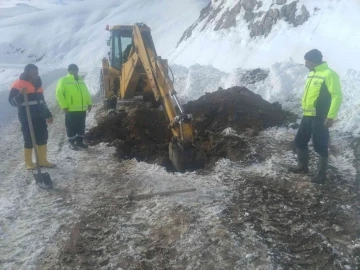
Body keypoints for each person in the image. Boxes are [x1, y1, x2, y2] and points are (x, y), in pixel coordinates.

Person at [289, 49, 343, 184]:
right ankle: (302, 167)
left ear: (314, 61)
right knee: (300, 141)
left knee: (320, 146)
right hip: (307, 115)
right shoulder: (312, 74)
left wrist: (330, 117)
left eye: (307, 61)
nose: (305, 64)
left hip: (320, 117)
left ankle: (321, 175)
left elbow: (337, 96)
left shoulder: (329, 74)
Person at [8, 64, 55, 169]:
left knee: (42, 137)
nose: (36, 75)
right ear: (27, 73)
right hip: (27, 118)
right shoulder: (18, 84)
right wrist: (20, 94)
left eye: (37, 73)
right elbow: (12, 102)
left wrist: (48, 114)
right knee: (29, 139)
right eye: (34, 73)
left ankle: (42, 160)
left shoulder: (38, 84)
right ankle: (28, 162)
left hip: (40, 117)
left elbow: (42, 102)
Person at [56, 64, 92, 150]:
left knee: (81, 126)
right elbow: (59, 94)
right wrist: (64, 106)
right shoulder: (64, 80)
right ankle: (71, 142)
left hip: (82, 109)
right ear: (69, 71)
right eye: (72, 70)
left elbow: (86, 92)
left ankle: (80, 141)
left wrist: (89, 103)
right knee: (71, 126)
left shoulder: (81, 80)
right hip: (70, 109)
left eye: (75, 70)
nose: (74, 72)